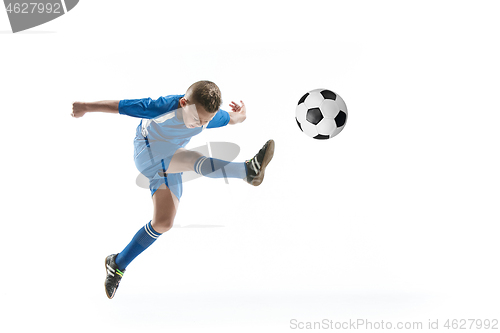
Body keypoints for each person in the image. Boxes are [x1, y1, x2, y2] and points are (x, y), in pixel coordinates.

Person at [71, 80, 275, 299]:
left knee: (163, 222)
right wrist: (84, 106)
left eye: (204, 122)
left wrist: (241, 113)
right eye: (196, 118)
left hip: (170, 159)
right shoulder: (162, 107)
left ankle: (117, 263)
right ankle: (246, 171)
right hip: (147, 151)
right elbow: (121, 106)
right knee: (192, 159)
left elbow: (234, 118)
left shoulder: (208, 117)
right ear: (183, 103)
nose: (198, 124)